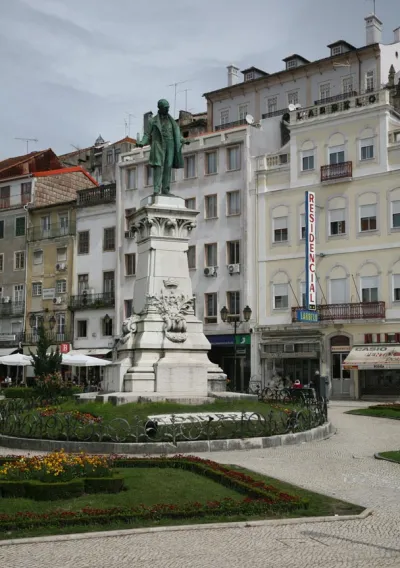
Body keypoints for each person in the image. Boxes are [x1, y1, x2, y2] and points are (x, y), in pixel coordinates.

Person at [136, 99, 190, 195]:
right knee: (158, 166)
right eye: (166, 108)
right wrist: (142, 142)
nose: (167, 109)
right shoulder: (153, 121)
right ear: (160, 108)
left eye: (168, 107)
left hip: (170, 144)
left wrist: (183, 140)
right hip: (158, 144)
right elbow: (147, 134)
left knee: (168, 167)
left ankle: (166, 189)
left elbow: (176, 133)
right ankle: (156, 189)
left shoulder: (172, 121)